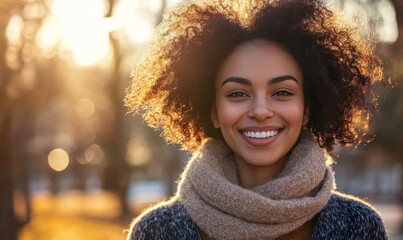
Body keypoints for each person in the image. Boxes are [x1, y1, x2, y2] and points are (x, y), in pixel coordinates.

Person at [125, 0, 388, 239]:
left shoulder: (359, 227)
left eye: (282, 92)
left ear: (306, 109)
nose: (260, 110)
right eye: (237, 93)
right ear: (213, 111)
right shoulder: (156, 231)